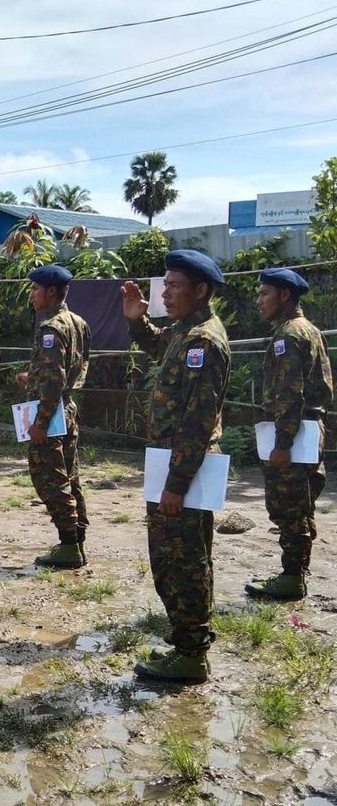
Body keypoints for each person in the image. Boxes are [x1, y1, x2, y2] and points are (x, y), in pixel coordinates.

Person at [122, 250, 230, 684]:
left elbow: (197, 420)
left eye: (175, 286)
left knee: (181, 561)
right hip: (171, 462)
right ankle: (188, 640)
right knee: (177, 558)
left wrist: (176, 483)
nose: (165, 293)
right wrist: (135, 320)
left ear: (200, 290)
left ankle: (190, 654)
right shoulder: (185, 333)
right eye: (163, 285)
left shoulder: (203, 341)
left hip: (182, 467)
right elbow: (157, 345)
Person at [245, 267, 333, 601]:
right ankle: (295, 572)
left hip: (295, 432)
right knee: (301, 504)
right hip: (310, 428)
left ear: (285, 295)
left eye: (265, 293)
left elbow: (288, 393)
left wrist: (282, 443)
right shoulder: (308, 329)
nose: (259, 301)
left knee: (288, 506)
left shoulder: (288, 335)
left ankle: (292, 577)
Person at [17, 265, 92, 568]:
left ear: (50, 291)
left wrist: (41, 422)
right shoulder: (78, 323)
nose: (32, 295)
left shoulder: (51, 329)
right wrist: (32, 378)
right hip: (68, 409)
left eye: (35, 289)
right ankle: (77, 538)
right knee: (70, 474)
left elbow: (53, 380)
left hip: (51, 413)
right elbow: (70, 370)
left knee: (50, 477)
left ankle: (68, 545)